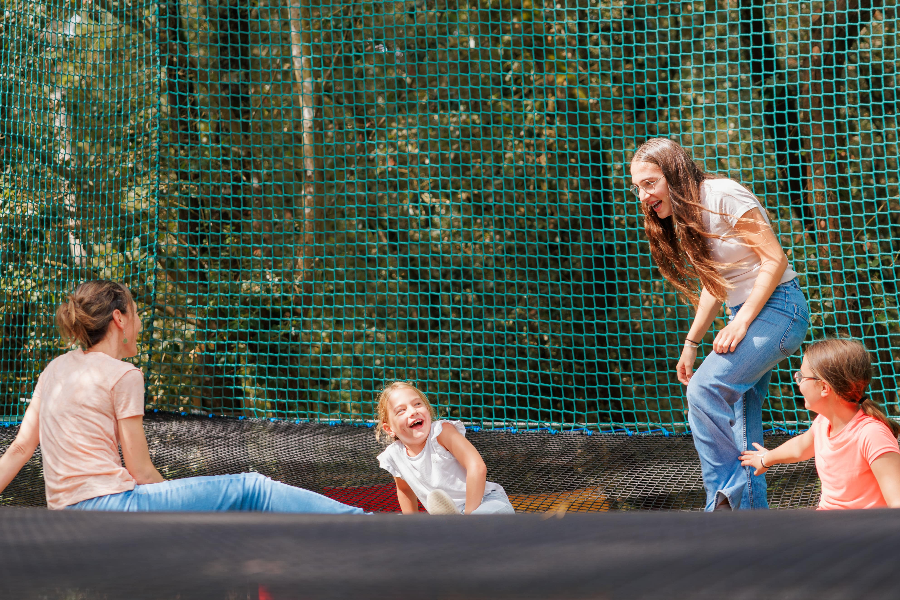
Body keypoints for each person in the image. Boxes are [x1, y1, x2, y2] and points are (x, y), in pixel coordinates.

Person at [0, 280, 365, 513]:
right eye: (136, 314)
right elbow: (140, 470)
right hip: (113, 508)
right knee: (252, 488)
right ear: (119, 318)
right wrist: (180, 522)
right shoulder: (123, 375)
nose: (140, 324)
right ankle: (364, 524)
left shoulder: (54, 370)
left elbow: (18, 449)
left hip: (65, 515)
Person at [630, 138, 809, 511]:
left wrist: (741, 322)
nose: (643, 195)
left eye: (649, 183)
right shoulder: (688, 216)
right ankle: (751, 529)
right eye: (637, 188)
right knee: (740, 428)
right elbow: (716, 285)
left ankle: (722, 504)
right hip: (748, 313)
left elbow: (774, 259)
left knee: (703, 391)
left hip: (781, 309)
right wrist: (691, 342)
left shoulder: (722, 194)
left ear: (673, 172)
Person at [740, 338, 900, 509]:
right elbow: (800, 447)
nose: (798, 382)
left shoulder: (872, 434)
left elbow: (896, 502)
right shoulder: (823, 423)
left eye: (801, 376)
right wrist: (766, 458)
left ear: (824, 387)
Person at [375, 381, 514, 515]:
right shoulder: (394, 455)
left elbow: (477, 467)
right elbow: (404, 489)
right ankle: (458, 529)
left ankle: (464, 529)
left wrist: (470, 517)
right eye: (401, 411)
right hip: (453, 517)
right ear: (389, 429)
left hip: (486, 503)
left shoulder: (441, 432)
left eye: (417, 404)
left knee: (483, 521)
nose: (413, 411)